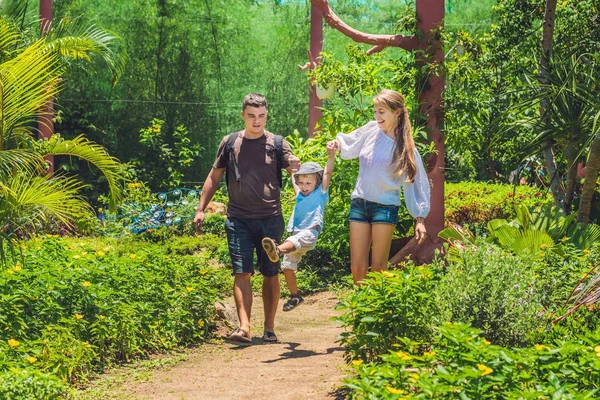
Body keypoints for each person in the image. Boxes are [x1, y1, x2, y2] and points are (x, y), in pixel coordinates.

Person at [194, 93, 300, 344]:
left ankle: (270, 328)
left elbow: (296, 174)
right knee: (242, 272)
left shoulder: (278, 143)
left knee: (270, 273)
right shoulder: (230, 143)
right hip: (238, 219)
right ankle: (244, 327)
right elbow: (214, 176)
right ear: (243, 115)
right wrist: (201, 208)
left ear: (266, 115)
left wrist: (297, 167)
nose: (257, 121)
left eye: (261, 116)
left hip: (270, 218)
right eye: (251, 116)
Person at [328, 89, 430, 285]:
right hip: (359, 203)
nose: (377, 116)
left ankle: (376, 313)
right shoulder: (370, 129)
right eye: (375, 111)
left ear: (397, 112)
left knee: (378, 268)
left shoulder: (406, 148)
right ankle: (359, 312)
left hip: (384, 208)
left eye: (381, 112)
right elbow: (350, 143)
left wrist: (420, 218)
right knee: (356, 267)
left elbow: (418, 184)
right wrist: (336, 145)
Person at [261, 147, 335, 311]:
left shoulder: (321, 193)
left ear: (317, 182)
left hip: (310, 233)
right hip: (296, 236)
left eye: (308, 183)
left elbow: (328, 173)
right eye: (301, 183)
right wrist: (294, 168)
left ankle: (278, 250)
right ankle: (295, 296)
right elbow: (293, 177)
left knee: (291, 243)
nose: (304, 186)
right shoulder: (300, 195)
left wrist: (331, 156)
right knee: (287, 267)